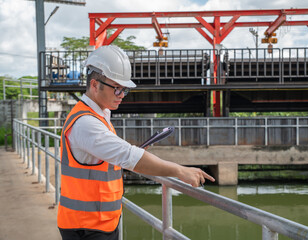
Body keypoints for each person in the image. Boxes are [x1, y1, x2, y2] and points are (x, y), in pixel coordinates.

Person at [57, 45, 215, 240]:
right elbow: (129, 157)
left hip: (99, 222)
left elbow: (103, 159)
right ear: (95, 85)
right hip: (86, 228)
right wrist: (180, 171)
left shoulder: (101, 114)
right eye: (117, 89)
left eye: (125, 90)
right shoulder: (86, 123)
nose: (122, 95)